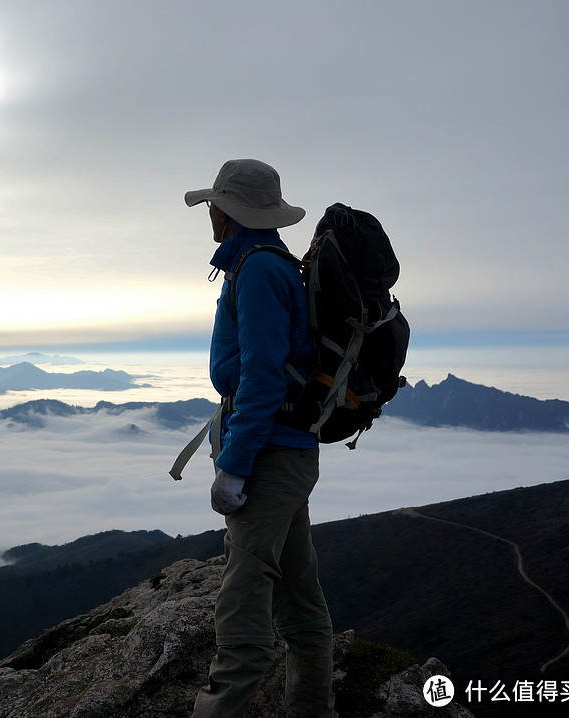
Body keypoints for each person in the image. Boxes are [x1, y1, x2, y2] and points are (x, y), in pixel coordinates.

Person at [184, 159, 336, 718]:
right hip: (286, 450)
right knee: (298, 598)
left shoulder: (258, 270)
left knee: (243, 607)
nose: (209, 213)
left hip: (271, 454)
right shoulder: (259, 262)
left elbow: (263, 374)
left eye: (213, 204)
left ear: (229, 211)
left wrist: (236, 465)